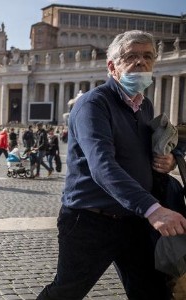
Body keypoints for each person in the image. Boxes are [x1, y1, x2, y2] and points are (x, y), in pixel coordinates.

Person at [37, 30, 185, 300]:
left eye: (147, 56)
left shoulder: (145, 106)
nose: (141, 62)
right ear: (112, 66)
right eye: (131, 56)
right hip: (90, 219)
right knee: (66, 293)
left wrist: (167, 160)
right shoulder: (92, 104)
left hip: (133, 218)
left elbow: (139, 156)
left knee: (152, 291)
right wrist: (154, 210)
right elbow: (102, 165)